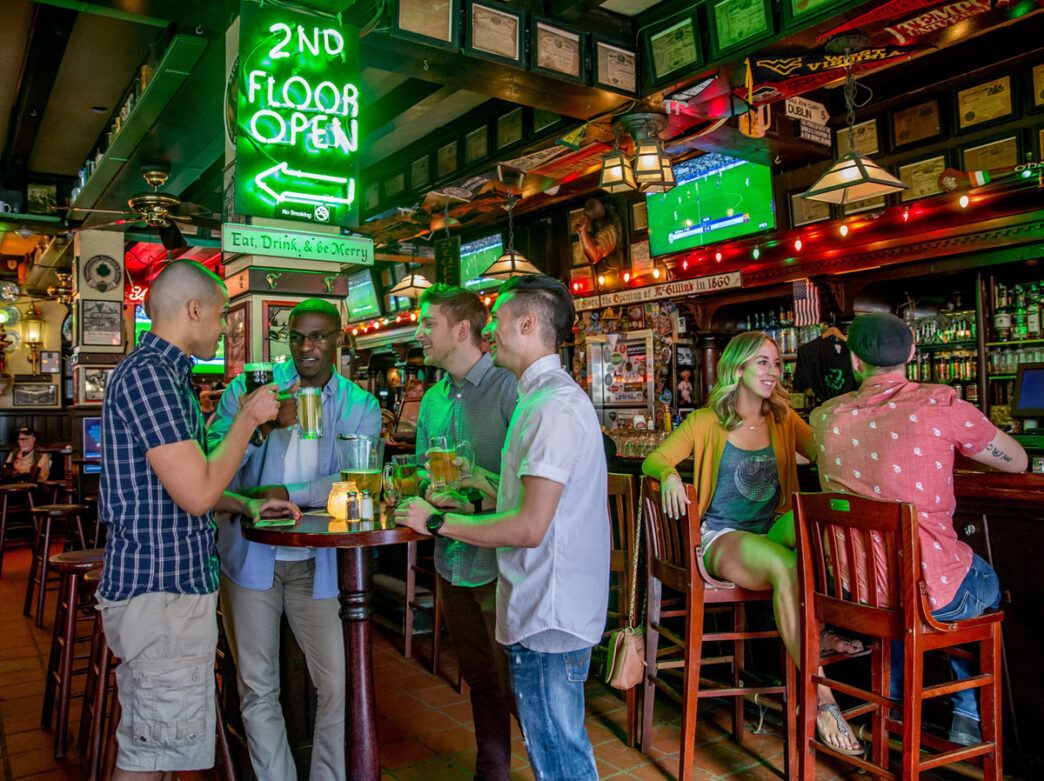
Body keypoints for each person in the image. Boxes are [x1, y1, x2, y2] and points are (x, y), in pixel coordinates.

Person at [395, 274, 609, 781]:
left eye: (498, 318)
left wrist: (442, 521)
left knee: (560, 759)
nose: (489, 328)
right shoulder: (540, 399)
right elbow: (526, 501)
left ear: (529, 324)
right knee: (553, 752)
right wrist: (480, 482)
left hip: (548, 611)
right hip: (542, 605)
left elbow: (531, 526)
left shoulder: (548, 407)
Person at [97, 261, 300, 781]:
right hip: (160, 592)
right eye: (222, 317)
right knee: (149, 759)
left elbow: (189, 485)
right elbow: (195, 493)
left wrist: (245, 504)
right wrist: (251, 418)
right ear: (193, 310)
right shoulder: (150, 377)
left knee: (161, 751)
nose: (225, 329)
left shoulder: (164, 374)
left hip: (165, 590)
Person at [641, 331, 864, 755]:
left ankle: (819, 631)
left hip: (771, 527)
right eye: (762, 362)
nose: (772, 371)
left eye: (776, 363)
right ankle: (826, 700)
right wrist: (669, 475)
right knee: (786, 566)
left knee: (825, 530)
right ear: (738, 368)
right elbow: (656, 458)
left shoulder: (782, 419)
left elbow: (824, 453)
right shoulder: (706, 421)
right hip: (721, 537)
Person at [811, 312, 1027, 746]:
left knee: (902, 593)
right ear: (913, 352)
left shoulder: (824, 418)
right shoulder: (940, 405)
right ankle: (967, 714)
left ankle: (887, 715)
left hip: (858, 597)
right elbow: (1018, 460)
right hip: (927, 596)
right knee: (979, 580)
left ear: (854, 361)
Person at [208, 298, 381, 781]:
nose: (306, 347)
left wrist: (290, 493)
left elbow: (357, 478)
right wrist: (259, 425)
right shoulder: (250, 390)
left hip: (319, 564)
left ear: (338, 339)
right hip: (251, 557)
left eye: (318, 336)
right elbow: (211, 464)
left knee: (337, 684)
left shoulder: (361, 405)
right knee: (257, 685)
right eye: (297, 337)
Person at [412, 284, 519, 780]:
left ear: (461, 329)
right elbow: (420, 471)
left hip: (503, 564)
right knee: (478, 677)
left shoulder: (508, 387)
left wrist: (478, 491)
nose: (420, 333)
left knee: (518, 683)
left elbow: (534, 481)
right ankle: (491, 770)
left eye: (428, 323)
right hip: (451, 557)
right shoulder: (432, 399)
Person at [573, 196, 623, 278]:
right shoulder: (608, 232)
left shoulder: (611, 231)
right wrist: (582, 232)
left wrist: (582, 232)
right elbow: (593, 256)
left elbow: (594, 256)